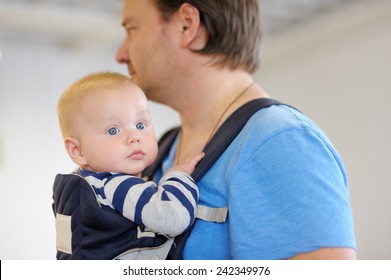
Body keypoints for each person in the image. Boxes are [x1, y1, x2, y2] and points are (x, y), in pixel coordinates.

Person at [115, 0, 357, 260]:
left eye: (131, 29)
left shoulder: (280, 142)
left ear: (187, 25)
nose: (121, 54)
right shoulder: (160, 149)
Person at [53, 71, 204, 259]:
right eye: (113, 130)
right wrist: (177, 176)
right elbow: (174, 217)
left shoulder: (85, 185)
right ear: (78, 151)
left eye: (141, 125)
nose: (134, 137)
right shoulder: (115, 186)